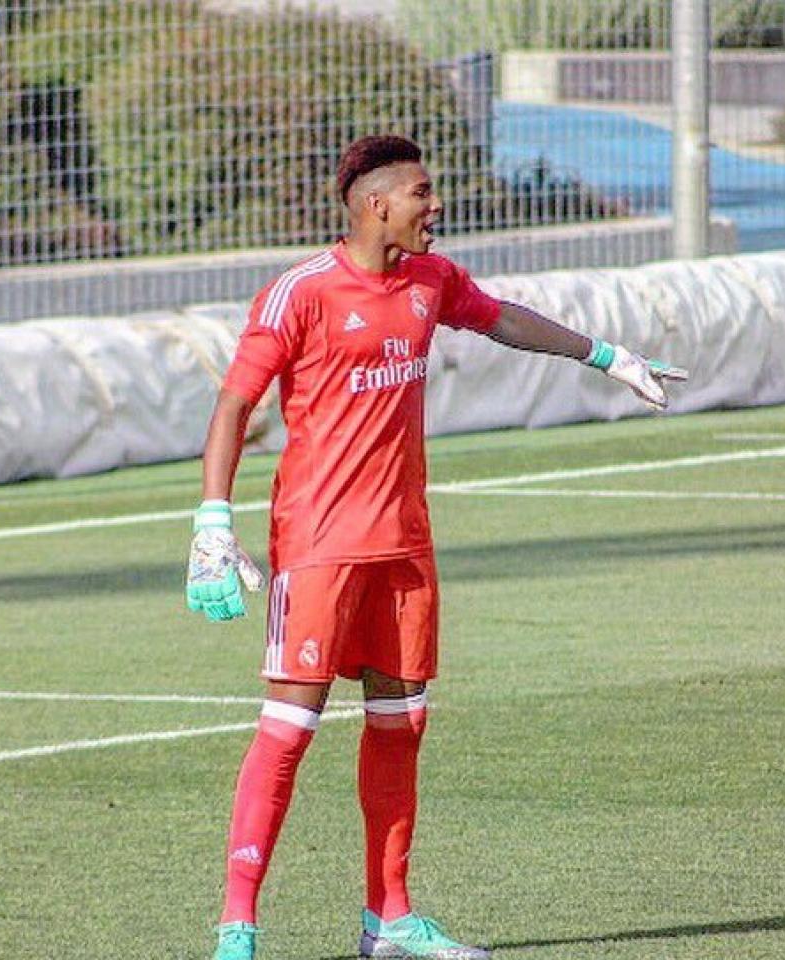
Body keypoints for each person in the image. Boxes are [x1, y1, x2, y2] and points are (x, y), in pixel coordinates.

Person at [186, 135, 687, 960]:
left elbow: (500, 319)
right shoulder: (298, 294)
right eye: (423, 193)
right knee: (288, 728)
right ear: (376, 204)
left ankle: (389, 922)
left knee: (400, 723)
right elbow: (235, 405)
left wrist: (606, 355)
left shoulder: (432, 280)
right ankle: (237, 930)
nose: (437, 206)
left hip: (404, 546)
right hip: (319, 544)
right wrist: (213, 520)